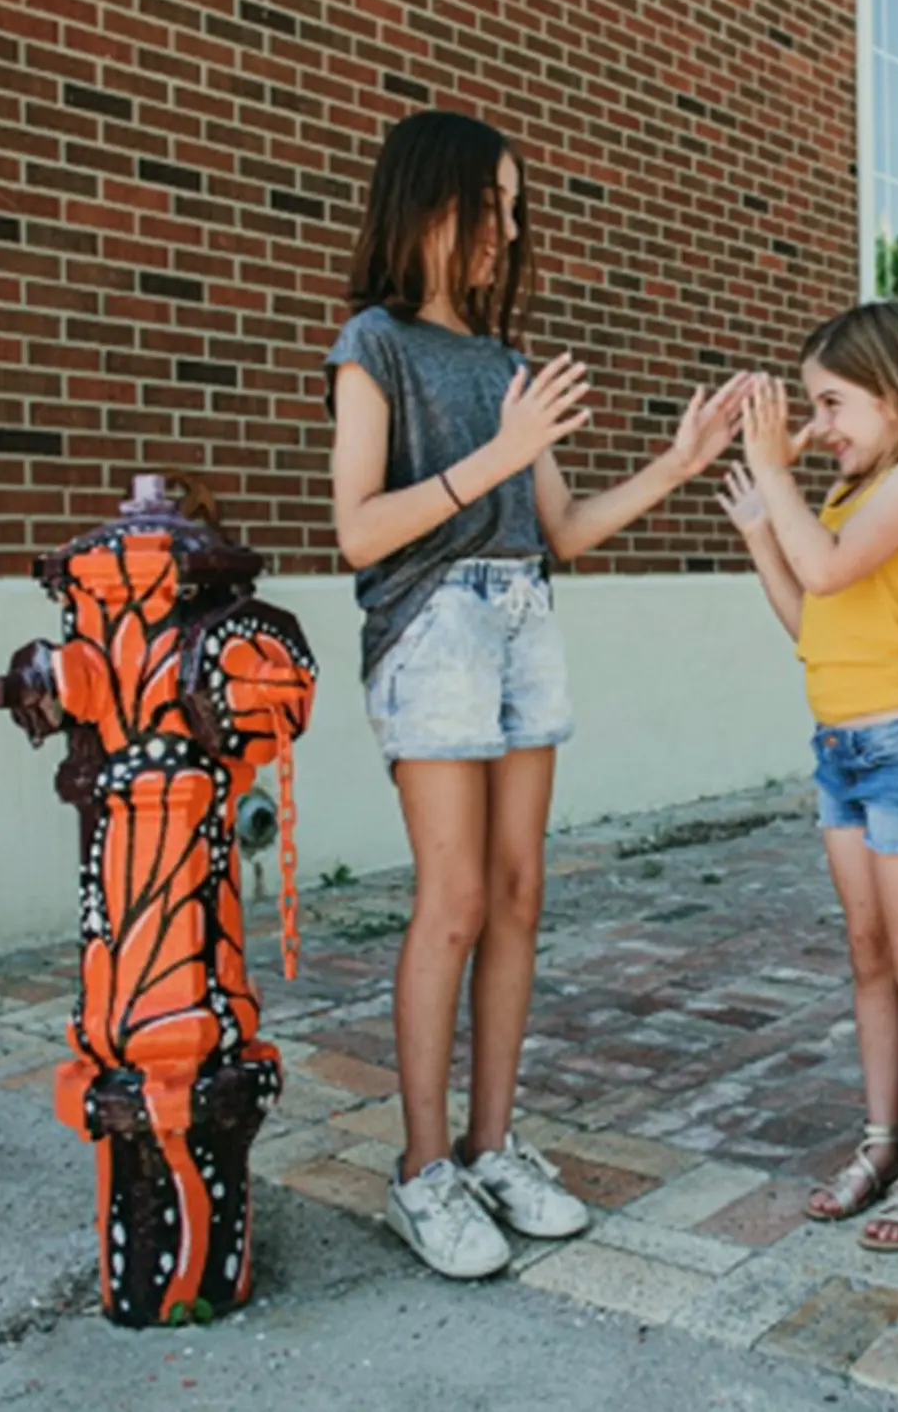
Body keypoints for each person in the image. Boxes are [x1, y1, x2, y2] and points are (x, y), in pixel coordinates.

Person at [327, 110, 745, 1279]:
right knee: (452, 898)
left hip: (522, 616)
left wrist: (676, 464)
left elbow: (559, 528)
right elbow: (360, 529)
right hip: (432, 630)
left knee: (519, 891)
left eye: (518, 209)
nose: (508, 232)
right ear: (428, 206)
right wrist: (492, 460)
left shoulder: (510, 366)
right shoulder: (375, 344)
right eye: (490, 205)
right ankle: (423, 1169)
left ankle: (493, 1143)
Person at [717, 300, 898, 1251]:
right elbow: (811, 621)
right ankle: (881, 1141)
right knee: (869, 954)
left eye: (832, 403)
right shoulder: (846, 499)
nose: (818, 426)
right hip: (842, 752)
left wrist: (782, 477)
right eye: (811, 408)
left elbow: (826, 573)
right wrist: (761, 526)